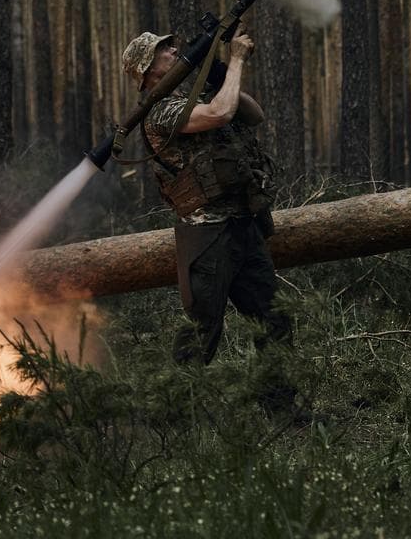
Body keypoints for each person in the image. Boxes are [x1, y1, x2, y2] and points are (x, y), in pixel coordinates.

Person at [121, 30, 290, 369]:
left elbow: (253, 114)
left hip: (243, 226)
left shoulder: (192, 99)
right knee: (201, 335)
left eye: (170, 44)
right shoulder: (160, 111)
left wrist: (221, 73)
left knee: (274, 320)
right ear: (148, 68)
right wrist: (239, 60)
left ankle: (282, 410)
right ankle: (179, 415)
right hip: (208, 238)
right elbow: (219, 114)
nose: (173, 49)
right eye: (164, 49)